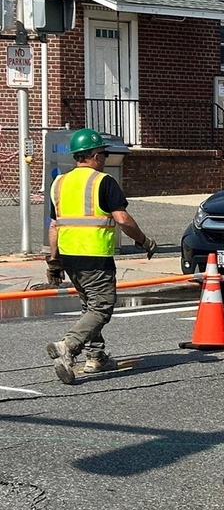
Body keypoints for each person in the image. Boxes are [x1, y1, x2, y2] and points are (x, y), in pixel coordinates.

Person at [44, 128, 156, 385]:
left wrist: (54, 261)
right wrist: (144, 241)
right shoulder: (103, 181)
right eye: (103, 154)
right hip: (95, 256)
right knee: (101, 307)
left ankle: (96, 357)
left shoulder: (59, 183)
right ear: (94, 155)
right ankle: (68, 346)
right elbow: (122, 219)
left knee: (89, 306)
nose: (105, 158)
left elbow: (54, 225)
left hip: (70, 257)